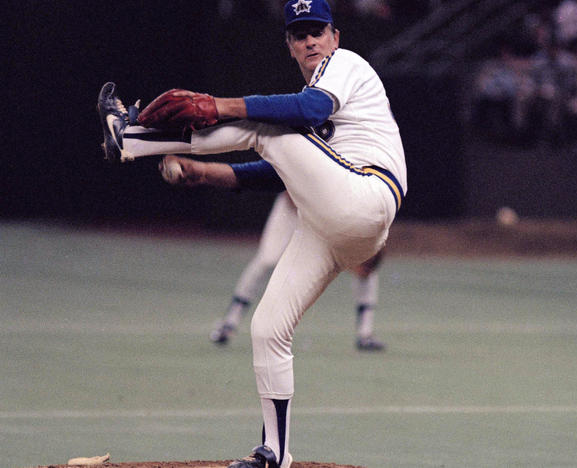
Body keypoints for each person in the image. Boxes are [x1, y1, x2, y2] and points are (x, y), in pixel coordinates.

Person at [96, 1, 406, 467]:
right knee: (268, 328)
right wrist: (206, 174)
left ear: (335, 36)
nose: (310, 41)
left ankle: (134, 138)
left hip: (368, 192)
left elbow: (303, 111)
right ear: (288, 45)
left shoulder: (346, 65)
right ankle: (274, 453)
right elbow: (281, 171)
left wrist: (218, 106)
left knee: (269, 126)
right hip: (332, 224)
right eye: (299, 34)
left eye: (317, 31)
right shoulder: (317, 104)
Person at [209, 190, 387, 352]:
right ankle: (229, 323)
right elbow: (292, 191)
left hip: (328, 218)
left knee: (366, 265)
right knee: (268, 260)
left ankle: (365, 334)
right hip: (293, 208)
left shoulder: (361, 211)